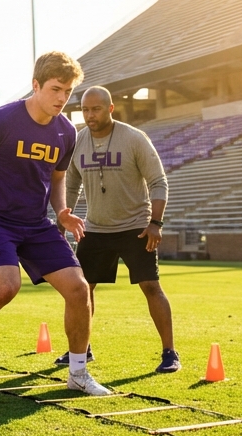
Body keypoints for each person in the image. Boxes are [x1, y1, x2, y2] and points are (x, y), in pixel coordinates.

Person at [0, 52, 112, 397]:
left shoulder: (66, 130)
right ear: (35, 86)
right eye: (55, 89)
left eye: (67, 91)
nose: (62, 99)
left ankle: (78, 373)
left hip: (36, 224)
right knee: (6, 286)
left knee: (79, 289)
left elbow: (58, 176)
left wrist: (62, 210)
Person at [63, 86, 178, 373]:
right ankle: (81, 349)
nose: (90, 115)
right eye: (85, 110)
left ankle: (170, 353)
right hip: (95, 229)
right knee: (82, 289)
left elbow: (158, 182)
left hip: (135, 227)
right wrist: (63, 216)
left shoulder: (134, 138)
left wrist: (156, 223)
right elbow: (71, 185)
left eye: (96, 109)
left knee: (151, 286)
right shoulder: (78, 141)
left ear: (110, 108)